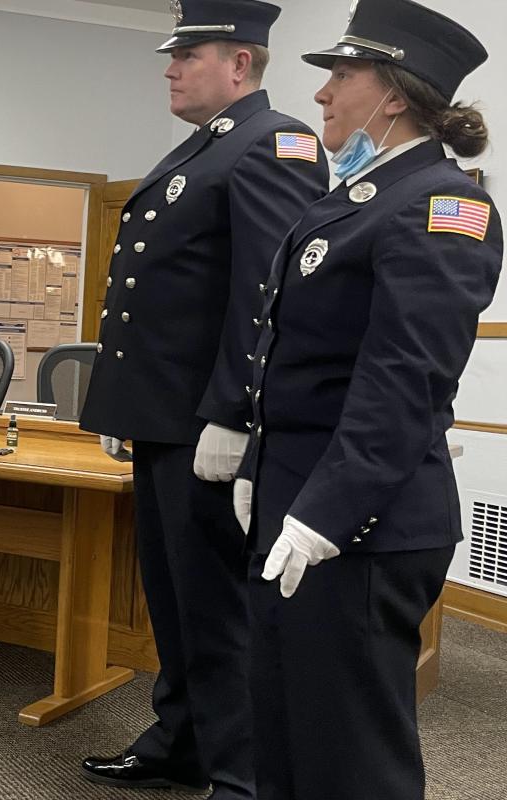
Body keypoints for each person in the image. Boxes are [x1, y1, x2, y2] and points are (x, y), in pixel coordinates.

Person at [232, 0, 503, 797]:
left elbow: (404, 383)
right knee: (282, 727)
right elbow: (293, 359)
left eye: (341, 76)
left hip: (360, 525)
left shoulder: (444, 207)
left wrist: (324, 515)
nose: (320, 94)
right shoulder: (354, 199)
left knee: (350, 750)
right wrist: (260, 465)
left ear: (392, 95)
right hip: (298, 498)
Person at [78, 1, 328, 797]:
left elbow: (265, 295)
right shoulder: (209, 148)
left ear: (241, 64)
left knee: (216, 609)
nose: (170, 67)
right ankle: (179, 739)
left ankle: (238, 774)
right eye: (173, 54)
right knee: (174, 599)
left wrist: (234, 412)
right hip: (163, 420)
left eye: (189, 53)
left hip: (207, 426)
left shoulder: (277, 145)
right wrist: (127, 410)